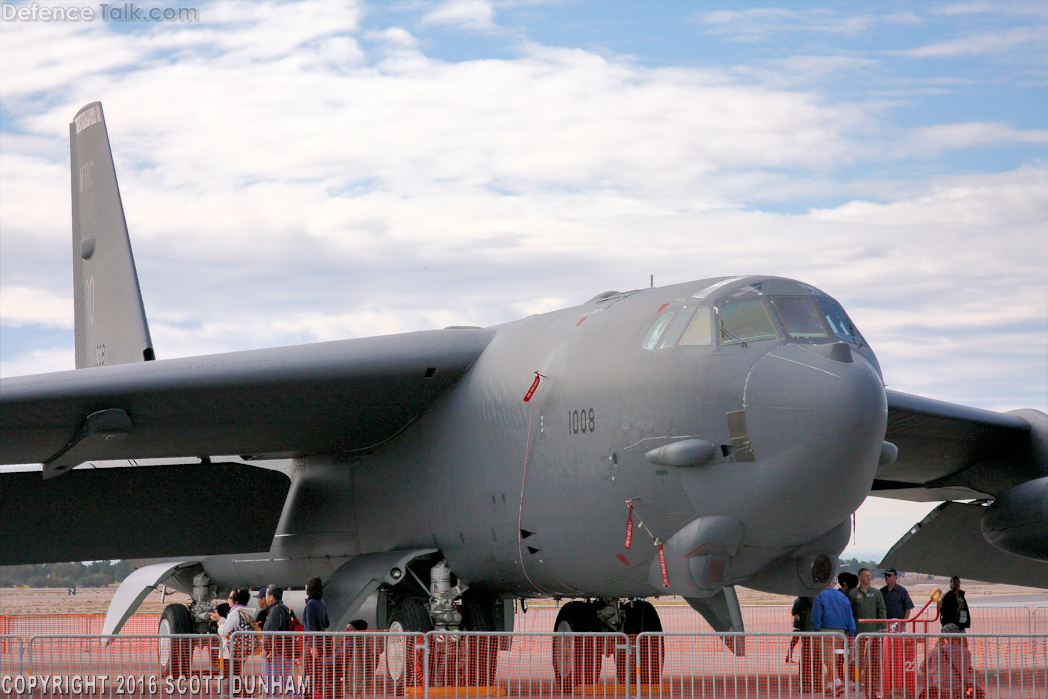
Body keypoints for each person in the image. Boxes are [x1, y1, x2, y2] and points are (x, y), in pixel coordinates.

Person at [916, 624, 982, 699]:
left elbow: (922, 668)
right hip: (961, 690)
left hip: (939, 689)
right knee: (973, 686)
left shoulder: (935, 651)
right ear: (958, 636)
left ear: (943, 637)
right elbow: (966, 669)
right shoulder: (966, 652)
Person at [813, 584, 856, 696]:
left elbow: (816, 616)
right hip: (840, 632)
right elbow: (849, 615)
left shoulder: (820, 596)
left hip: (825, 631)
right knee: (833, 659)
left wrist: (817, 629)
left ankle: (837, 682)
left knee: (829, 659)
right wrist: (850, 632)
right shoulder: (842, 597)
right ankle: (830, 684)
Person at [850, 568, 887, 697]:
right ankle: (858, 682)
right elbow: (850, 612)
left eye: (870, 576)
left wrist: (881, 626)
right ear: (859, 577)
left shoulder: (876, 593)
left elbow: (882, 610)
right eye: (866, 576)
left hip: (874, 633)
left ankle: (874, 684)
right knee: (859, 660)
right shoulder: (853, 594)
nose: (868, 578)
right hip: (859, 634)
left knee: (875, 660)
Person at [261, 585, 300, 699]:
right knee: (285, 680)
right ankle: (297, 697)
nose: (266, 597)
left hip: (276, 653)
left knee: (271, 682)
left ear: (271, 597)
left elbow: (271, 631)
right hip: (287, 651)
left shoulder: (274, 610)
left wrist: (267, 649)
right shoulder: (287, 609)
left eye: (267, 595)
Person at [210, 589, 254, 682]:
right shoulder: (243, 611)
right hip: (239, 650)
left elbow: (225, 630)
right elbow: (233, 627)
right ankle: (239, 694)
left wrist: (219, 624)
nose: (228, 599)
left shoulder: (234, 612)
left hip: (231, 651)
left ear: (236, 600)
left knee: (231, 677)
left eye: (230, 597)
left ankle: (237, 695)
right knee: (235, 676)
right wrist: (220, 620)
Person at [303, 577, 330, 699]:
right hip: (321, 641)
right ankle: (318, 693)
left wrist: (312, 646)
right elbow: (326, 623)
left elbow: (310, 627)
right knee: (318, 672)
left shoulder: (310, 604)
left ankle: (310, 695)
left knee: (309, 672)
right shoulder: (322, 603)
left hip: (311, 643)